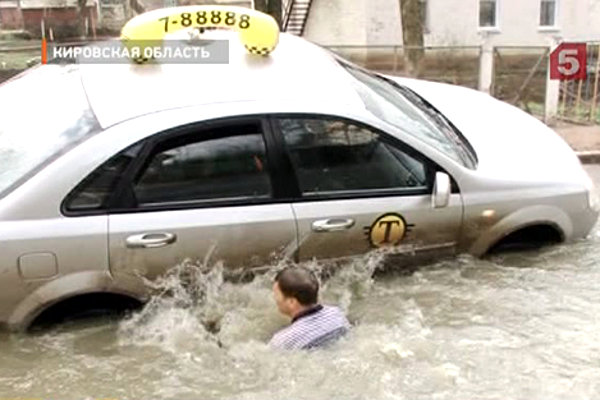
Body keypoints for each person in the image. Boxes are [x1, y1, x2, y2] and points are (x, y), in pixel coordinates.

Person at [269, 267, 350, 350]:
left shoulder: (282, 341)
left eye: (276, 294)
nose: (274, 298)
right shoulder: (337, 314)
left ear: (292, 302)